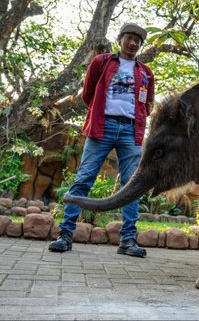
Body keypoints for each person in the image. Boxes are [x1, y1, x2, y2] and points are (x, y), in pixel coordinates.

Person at [49, 22, 155, 257]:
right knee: (84, 178)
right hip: (102, 127)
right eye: (129, 37)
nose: (133, 42)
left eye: (138, 40)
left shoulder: (145, 72)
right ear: (121, 39)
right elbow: (88, 94)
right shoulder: (102, 62)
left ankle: (128, 240)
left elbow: (147, 104)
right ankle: (65, 235)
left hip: (131, 131)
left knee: (132, 185)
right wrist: (100, 115)